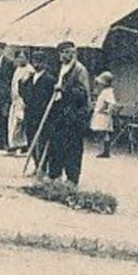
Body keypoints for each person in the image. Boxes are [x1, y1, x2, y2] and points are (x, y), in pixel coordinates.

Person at [47, 41, 92, 183]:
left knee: (72, 147)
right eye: (62, 52)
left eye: (68, 52)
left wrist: (64, 89)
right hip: (59, 111)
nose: (65, 55)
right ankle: (55, 175)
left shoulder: (79, 70)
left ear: (73, 53)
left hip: (74, 114)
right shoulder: (60, 68)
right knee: (56, 144)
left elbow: (83, 93)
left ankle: (72, 179)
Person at [24, 50, 58, 177]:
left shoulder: (49, 79)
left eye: (39, 61)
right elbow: (25, 94)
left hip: (42, 116)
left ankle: (43, 168)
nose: (36, 64)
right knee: (31, 141)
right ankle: (37, 165)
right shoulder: (30, 78)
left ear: (44, 63)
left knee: (42, 142)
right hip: (30, 114)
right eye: (34, 61)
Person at [7, 49, 35, 152]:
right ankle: (14, 143)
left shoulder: (29, 70)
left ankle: (22, 143)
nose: (20, 59)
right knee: (14, 122)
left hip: (22, 100)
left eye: (23, 57)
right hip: (15, 99)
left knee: (20, 122)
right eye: (19, 57)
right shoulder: (18, 69)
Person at [0, 44, 17, 150]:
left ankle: (7, 142)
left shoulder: (9, 63)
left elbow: (12, 79)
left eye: (0, 49)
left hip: (5, 94)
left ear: (3, 50)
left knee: (5, 118)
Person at [90, 71, 118, 158]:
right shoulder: (105, 91)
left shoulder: (108, 92)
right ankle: (104, 150)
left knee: (103, 133)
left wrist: (106, 110)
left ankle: (105, 151)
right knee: (103, 133)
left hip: (103, 116)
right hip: (102, 114)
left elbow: (111, 103)